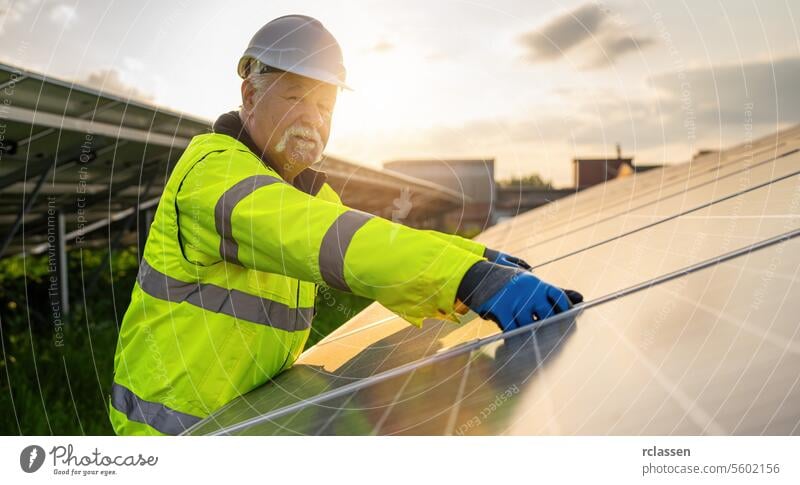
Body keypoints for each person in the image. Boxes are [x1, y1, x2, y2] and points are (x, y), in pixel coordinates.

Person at [108, 14, 581, 436]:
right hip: (173, 436)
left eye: (325, 106)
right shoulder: (213, 174)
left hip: (249, 414)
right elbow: (333, 240)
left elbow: (379, 242)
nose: (312, 118)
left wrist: (475, 260)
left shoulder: (303, 192)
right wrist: (469, 279)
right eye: (295, 97)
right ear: (250, 95)